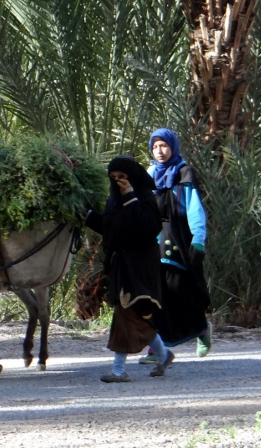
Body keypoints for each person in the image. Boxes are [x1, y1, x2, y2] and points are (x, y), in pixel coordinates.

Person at [86, 156, 173, 382]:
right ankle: (163, 355)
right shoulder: (113, 199)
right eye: (113, 178)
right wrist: (87, 216)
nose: (118, 181)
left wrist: (130, 197)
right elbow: (111, 228)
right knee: (135, 315)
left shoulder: (144, 196)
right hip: (121, 264)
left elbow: (147, 227)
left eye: (122, 177)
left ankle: (118, 370)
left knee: (127, 313)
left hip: (141, 263)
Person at [139, 128, 212, 364]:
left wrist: (198, 239)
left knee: (180, 290)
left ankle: (201, 329)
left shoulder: (184, 172)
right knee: (155, 294)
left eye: (164, 146)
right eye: (155, 147)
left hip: (178, 237)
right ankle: (157, 349)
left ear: (172, 147)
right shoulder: (149, 173)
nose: (159, 152)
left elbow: (194, 208)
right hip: (152, 239)